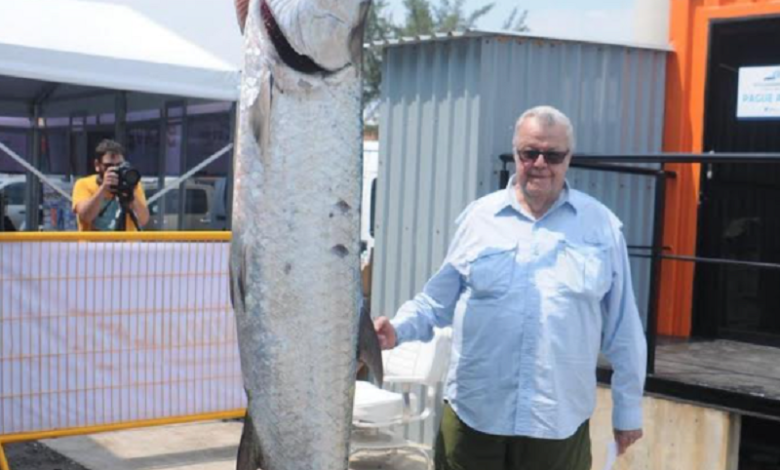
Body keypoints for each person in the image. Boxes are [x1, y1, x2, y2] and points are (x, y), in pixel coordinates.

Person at [373, 106, 646, 470]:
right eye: (529, 153)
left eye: (552, 155)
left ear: (569, 158)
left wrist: (628, 410)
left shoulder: (601, 228)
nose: (539, 163)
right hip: (476, 414)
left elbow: (624, 330)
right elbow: (435, 302)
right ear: (515, 153)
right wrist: (397, 330)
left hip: (557, 421)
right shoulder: (478, 219)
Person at [72, 139, 149, 231]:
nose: (115, 170)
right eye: (109, 166)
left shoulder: (133, 185)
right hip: (93, 245)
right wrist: (103, 188)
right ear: (97, 165)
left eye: (119, 165)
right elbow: (86, 216)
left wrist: (131, 195)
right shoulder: (83, 184)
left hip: (125, 244)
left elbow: (143, 220)